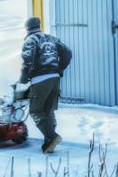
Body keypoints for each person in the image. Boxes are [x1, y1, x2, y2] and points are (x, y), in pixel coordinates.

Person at [19, 17, 72, 153]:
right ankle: (48, 144)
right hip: (55, 78)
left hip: (40, 80)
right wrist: (60, 68)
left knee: (35, 111)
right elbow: (67, 52)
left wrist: (24, 79)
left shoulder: (31, 40)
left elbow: (27, 62)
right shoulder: (51, 38)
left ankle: (52, 137)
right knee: (48, 111)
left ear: (28, 28)